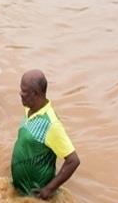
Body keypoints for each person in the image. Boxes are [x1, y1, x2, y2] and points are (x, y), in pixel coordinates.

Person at [11, 70, 81, 200]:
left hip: (34, 196)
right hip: (20, 190)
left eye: (24, 91)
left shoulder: (51, 125)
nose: (20, 94)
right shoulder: (29, 109)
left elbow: (73, 161)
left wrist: (48, 189)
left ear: (36, 93)